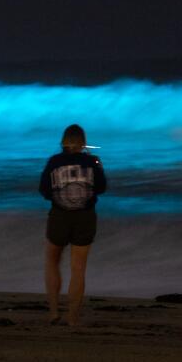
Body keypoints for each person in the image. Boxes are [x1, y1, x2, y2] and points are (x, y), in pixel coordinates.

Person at [38, 124, 107, 327]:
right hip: (85, 216)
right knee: (78, 269)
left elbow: (43, 190)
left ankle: (53, 312)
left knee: (52, 262)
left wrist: (58, 198)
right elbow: (102, 188)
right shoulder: (91, 162)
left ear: (64, 141)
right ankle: (72, 317)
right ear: (83, 142)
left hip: (59, 216)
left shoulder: (54, 161)